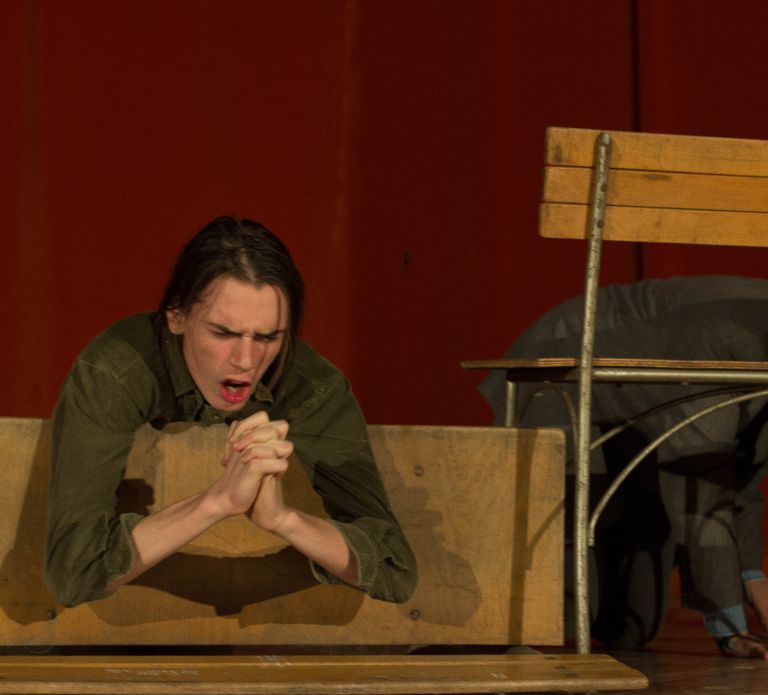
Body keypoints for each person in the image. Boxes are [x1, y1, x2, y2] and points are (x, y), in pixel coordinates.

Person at [46, 216, 417, 609]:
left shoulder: (312, 387)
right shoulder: (115, 371)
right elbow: (74, 574)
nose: (245, 359)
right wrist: (217, 501)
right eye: (223, 333)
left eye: (268, 337)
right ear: (176, 316)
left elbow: (395, 572)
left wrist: (282, 519)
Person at [480, 275, 768, 659]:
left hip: (643, 398)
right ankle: (490, 624)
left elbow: (745, 474)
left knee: (632, 628)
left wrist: (752, 576)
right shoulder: (726, 338)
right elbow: (699, 482)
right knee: (565, 608)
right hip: (567, 360)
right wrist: (731, 628)